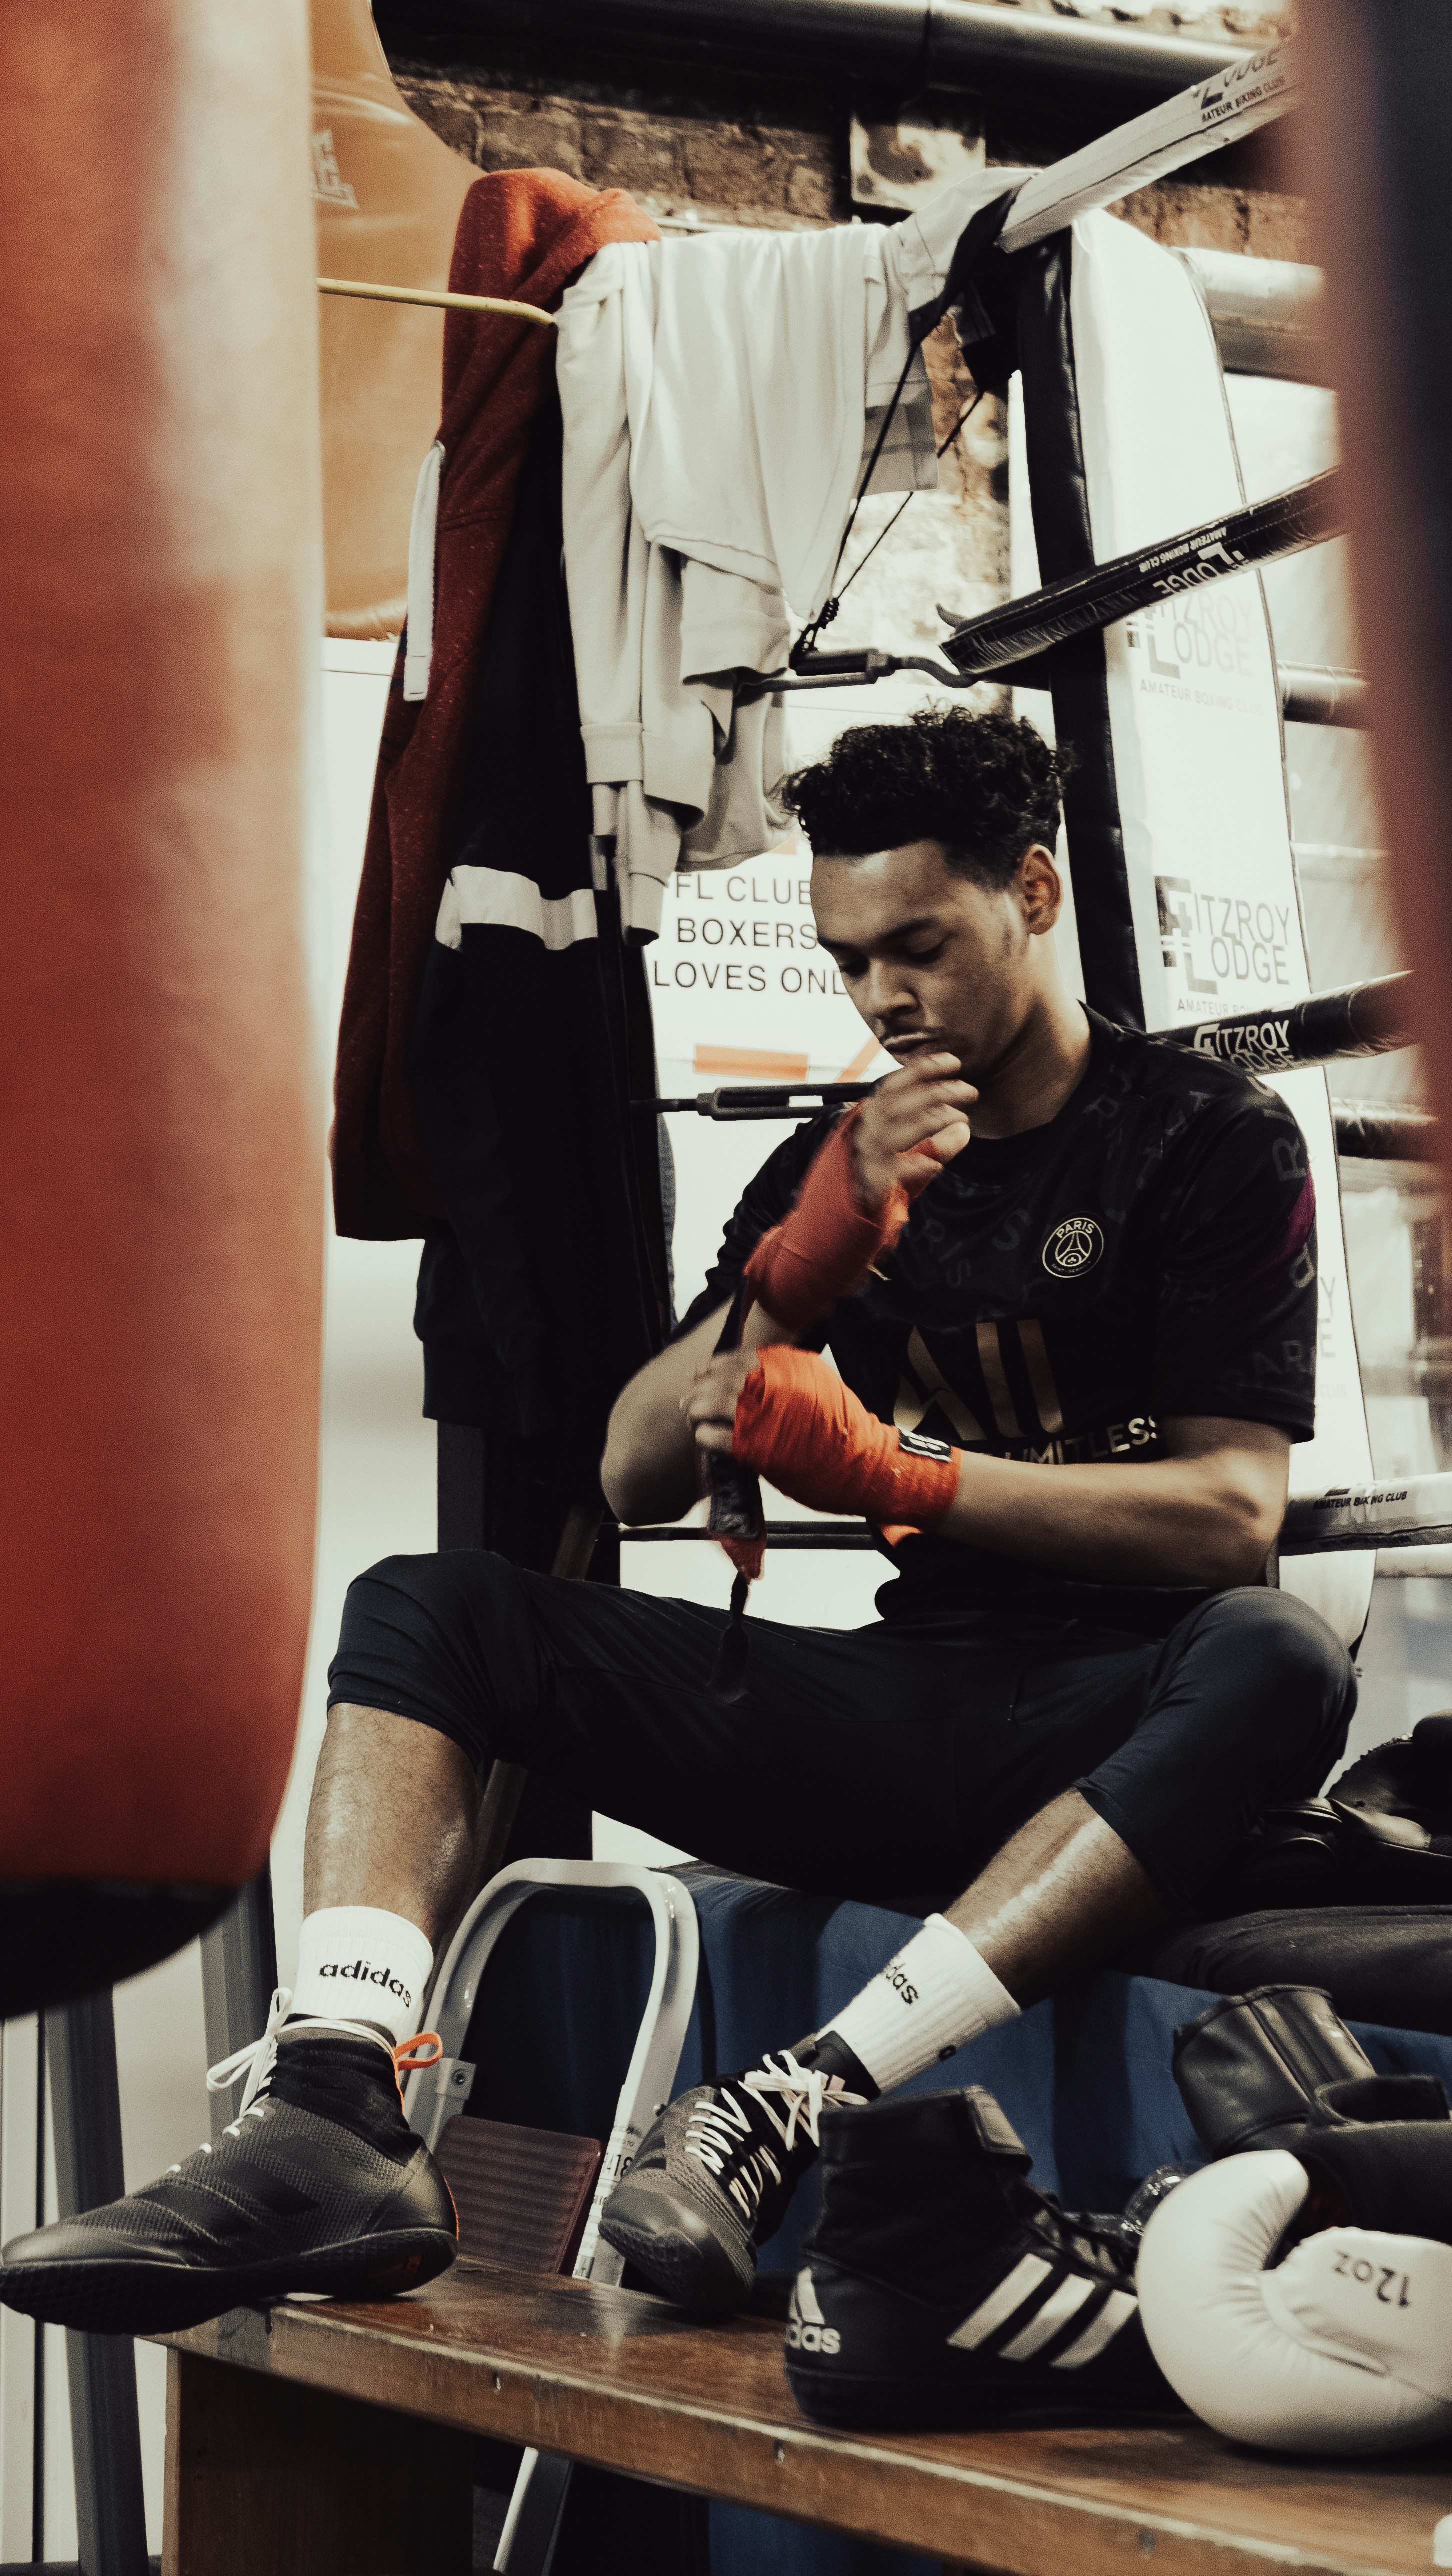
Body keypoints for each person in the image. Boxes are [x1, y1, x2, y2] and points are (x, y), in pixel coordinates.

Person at [0, 708, 1355, 2336]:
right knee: (432, 1606)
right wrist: (803, 1266)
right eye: (849, 961)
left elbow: (1230, 1512)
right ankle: (329, 2110)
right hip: (907, 1711)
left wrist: (911, 1483)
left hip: (1118, 1732)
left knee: (1282, 1654)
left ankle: (792, 2099)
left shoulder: (1203, 1140)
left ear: (1039, 892)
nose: (882, 1001)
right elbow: (638, 1470)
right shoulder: (840, 1160)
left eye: (917, 947)